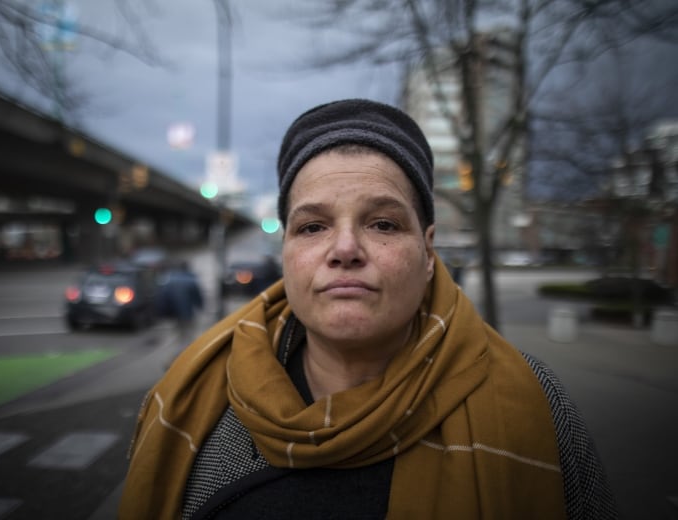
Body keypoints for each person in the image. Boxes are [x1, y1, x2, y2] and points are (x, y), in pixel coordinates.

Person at [119, 99, 617, 519]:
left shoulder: (537, 406)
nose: (346, 248)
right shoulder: (197, 399)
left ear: (427, 254)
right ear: (287, 255)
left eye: (382, 224)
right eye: (312, 227)